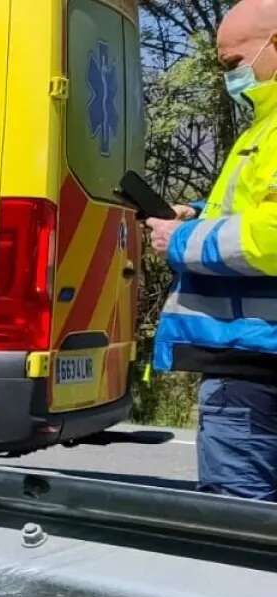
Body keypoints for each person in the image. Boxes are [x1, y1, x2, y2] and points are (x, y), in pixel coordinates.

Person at [148, 0, 277, 502]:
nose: (231, 76)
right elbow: (249, 213)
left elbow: (268, 236)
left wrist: (177, 240)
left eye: (233, 63)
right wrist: (198, 214)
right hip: (253, 358)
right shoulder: (261, 129)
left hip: (253, 362)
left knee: (237, 525)